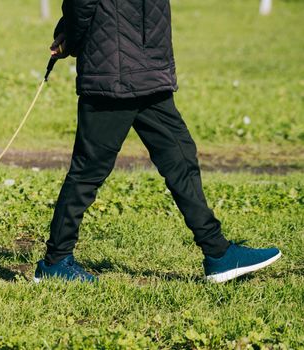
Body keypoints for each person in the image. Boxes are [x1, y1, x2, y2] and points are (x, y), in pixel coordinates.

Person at [34, 0, 281, 283]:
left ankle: (218, 253)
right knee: (88, 171)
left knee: (180, 157)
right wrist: (71, 37)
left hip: (149, 71)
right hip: (113, 75)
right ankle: (55, 262)